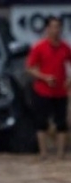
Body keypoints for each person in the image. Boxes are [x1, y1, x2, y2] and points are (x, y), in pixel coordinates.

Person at [25, 16, 71, 159]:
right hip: (42, 90)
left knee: (61, 122)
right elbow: (29, 68)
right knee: (41, 122)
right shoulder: (39, 47)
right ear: (47, 29)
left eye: (58, 27)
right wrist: (44, 77)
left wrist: (69, 79)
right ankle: (43, 153)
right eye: (53, 27)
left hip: (60, 91)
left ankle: (60, 153)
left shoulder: (65, 47)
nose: (56, 30)